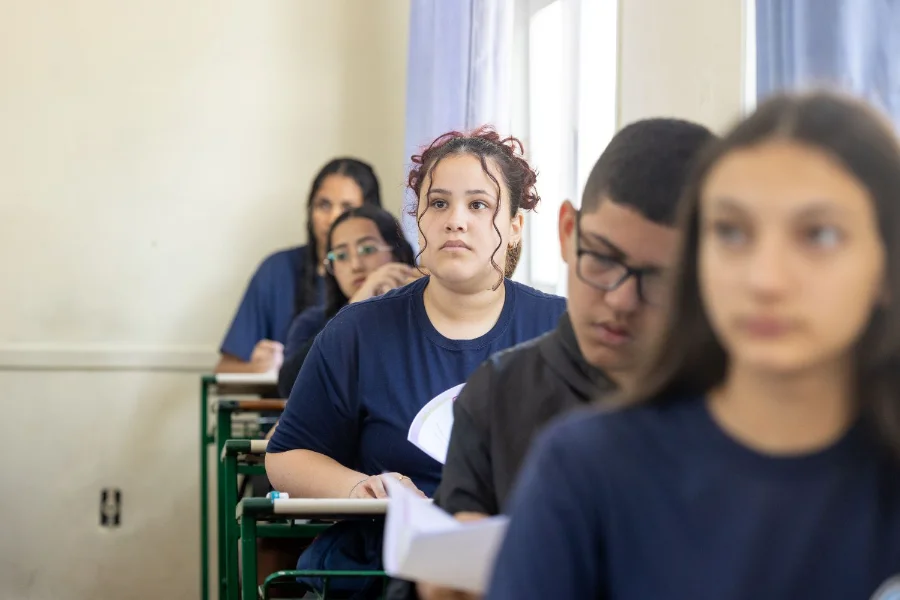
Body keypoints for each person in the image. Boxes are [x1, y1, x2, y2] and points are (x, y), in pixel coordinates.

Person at [486, 91, 900, 600]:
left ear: (886, 266)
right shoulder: (587, 470)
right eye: (731, 232)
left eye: (818, 235)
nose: (765, 278)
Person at [388, 118, 715, 600]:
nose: (621, 300)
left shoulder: (738, 404)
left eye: (658, 278)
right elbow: (438, 565)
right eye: (601, 258)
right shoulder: (498, 392)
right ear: (568, 231)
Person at [265, 127, 567, 598]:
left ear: (514, 227)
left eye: (479, 205)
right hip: (386, 572)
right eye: (439, 203)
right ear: (418, 220)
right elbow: (285, 456)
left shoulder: (562, 329)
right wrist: (363, 486)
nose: (456, 221)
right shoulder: (358, 331)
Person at [216, 158, 381, 373]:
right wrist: (257, 367)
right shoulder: (276, 271)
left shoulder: (391, 277)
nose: (333, 218)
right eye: (324, 205)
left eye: (347, 208)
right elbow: (223, 369)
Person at [277, 204, 418, 397]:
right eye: (341, 255)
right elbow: (290, 387)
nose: (355, 265)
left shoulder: (424, 315)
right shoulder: (312, 322)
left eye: (367, 249)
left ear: (397, 253)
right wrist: (356, 305)